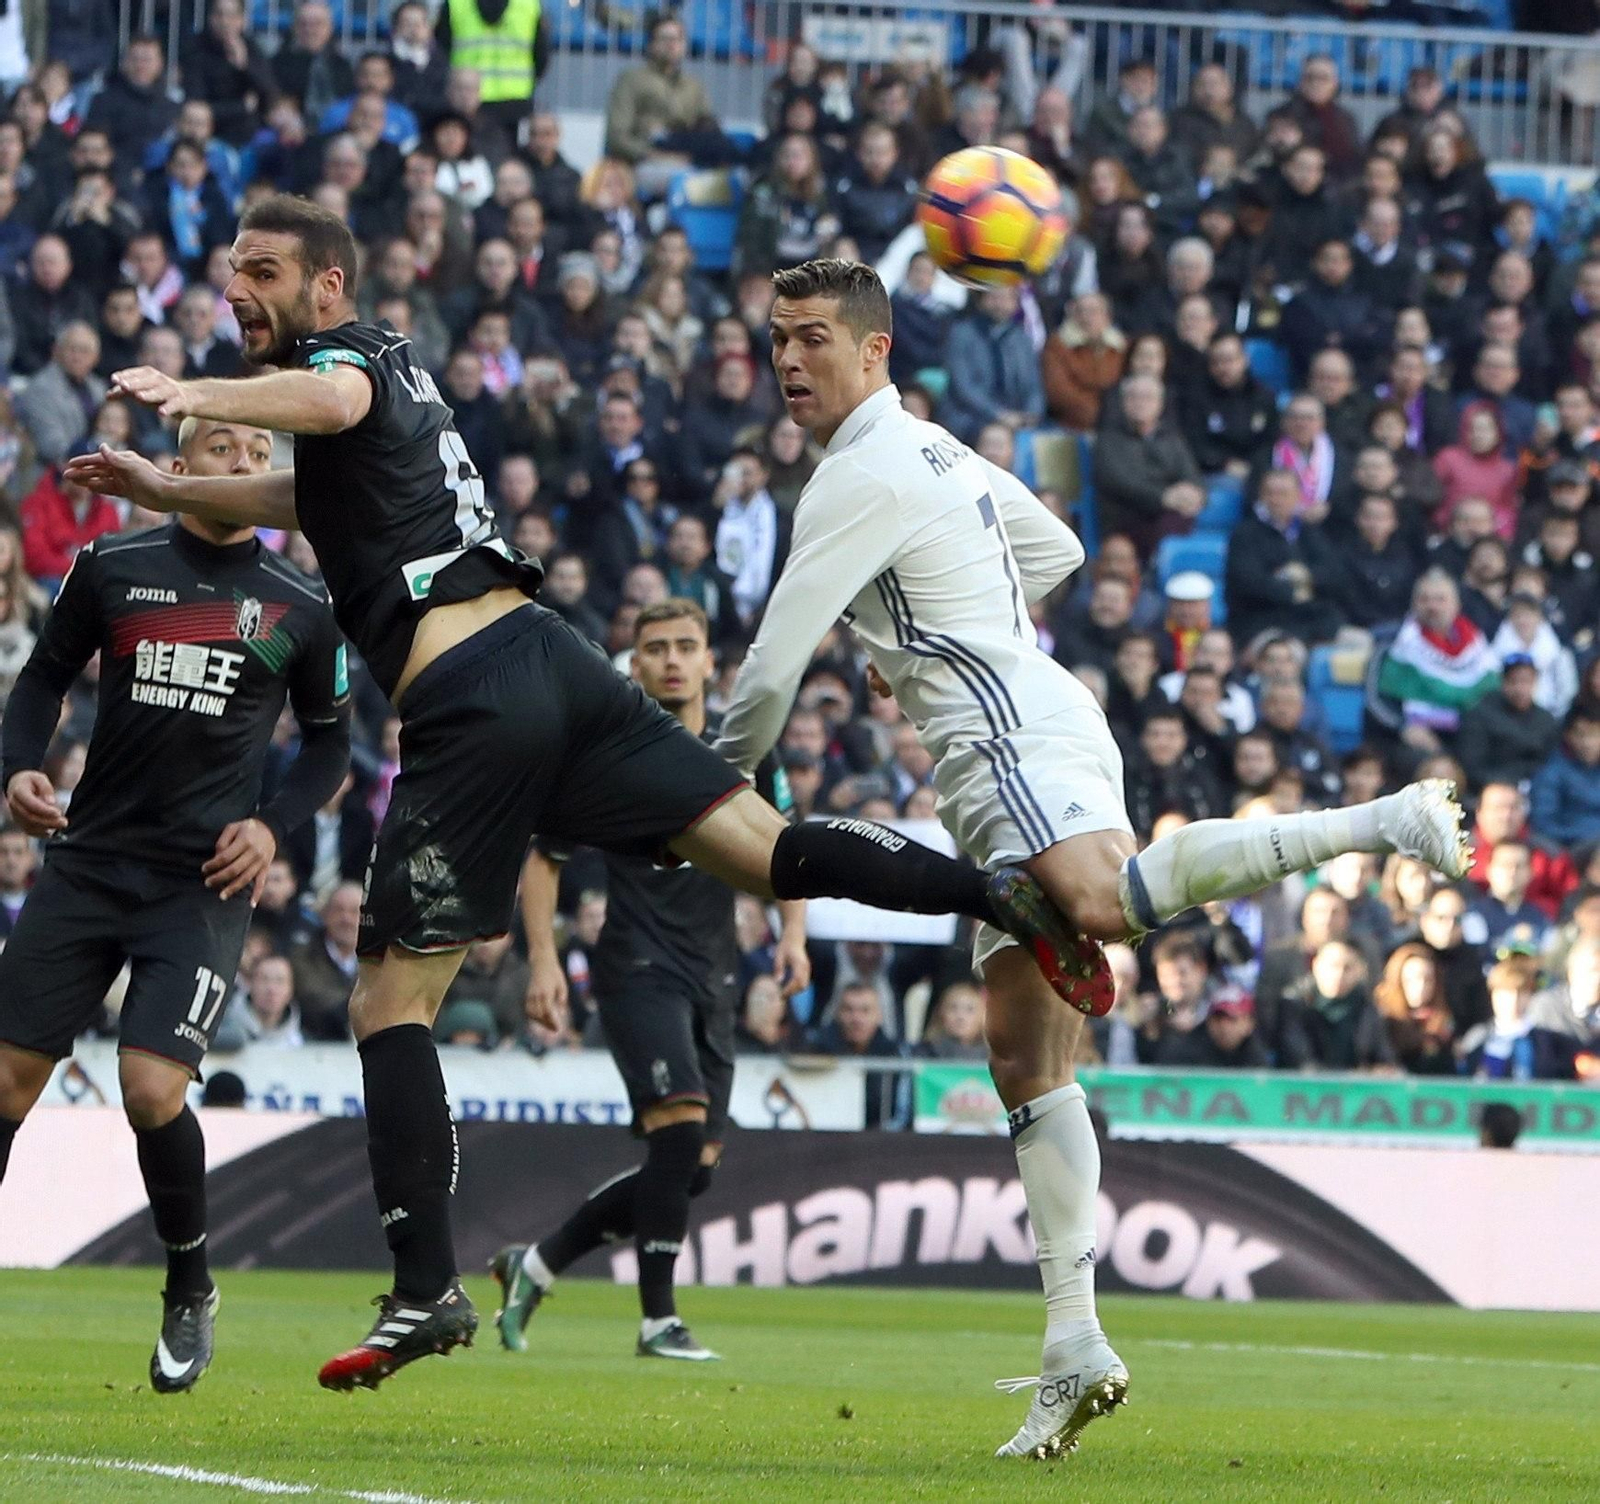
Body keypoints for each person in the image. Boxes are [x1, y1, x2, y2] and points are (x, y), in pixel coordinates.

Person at [70, 201, 1081, 1392]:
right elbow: (315, 497)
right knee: (764, 850)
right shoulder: (385, 387)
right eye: (232, 267)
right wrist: (164, 483)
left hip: (468, 698)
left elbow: (328, 406)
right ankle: (1001, 897)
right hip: (551, 658)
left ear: (327, 286)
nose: (238, 286)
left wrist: (196, 395)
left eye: (263, 269)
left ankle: (424, 1288)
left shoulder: (346, 359)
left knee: (389, 1003)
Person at [711, 257, 1468, 1462]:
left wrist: (705, 788)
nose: (788, 359)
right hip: (1031, 720)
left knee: (1102, 905)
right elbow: (1057, 548)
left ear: (874, 348)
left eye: (811, 337)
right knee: (1025, 1061)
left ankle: (1380, 821)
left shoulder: (853, 474)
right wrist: (922, 630)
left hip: (1006, 741)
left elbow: (766, 673)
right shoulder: (941, 450)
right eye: (776, 338)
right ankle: (1074, 1343)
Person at [0, 415, 350, 1394]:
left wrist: (272, 825)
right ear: (180, 464)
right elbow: (42, 677)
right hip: (87, 861)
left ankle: (189, 1283)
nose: (245, 463)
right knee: (5, 1084)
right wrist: (18, 767)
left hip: (198, 883)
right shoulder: (114, 564)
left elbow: (329, 744)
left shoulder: (301, 603)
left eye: (260, 454)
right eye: (224, 446)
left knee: (152, 1090)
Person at [491, 597, 808, 1361]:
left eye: (685, 646)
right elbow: (546, 858)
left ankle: (536, 1264)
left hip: (713, 975)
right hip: (636, 965)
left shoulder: (745, 749)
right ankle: (658, 1321)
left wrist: (793, 935)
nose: (671, 660)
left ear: (709, 663)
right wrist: (544, 960)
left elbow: (789, 847)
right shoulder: (607, 747)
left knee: (690, 1169)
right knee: (680, 1131)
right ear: (633, 665)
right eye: (656, 648)